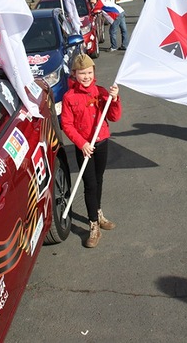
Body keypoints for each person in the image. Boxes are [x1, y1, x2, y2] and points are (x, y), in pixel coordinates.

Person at [60, 54, 122, 248]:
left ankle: (99, 213)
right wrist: (81, 143)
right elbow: (67, 124)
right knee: (90, 185)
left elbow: (114, 117)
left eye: (89, 72)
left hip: (101, 141)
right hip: (84, 148)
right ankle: (93, 224)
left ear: (93, 72)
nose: (86, 76)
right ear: (74, 74)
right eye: (81, 73)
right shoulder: (69, 97)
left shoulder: (101, 91)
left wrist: (115, 99)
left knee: (99, 179)